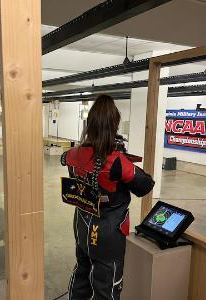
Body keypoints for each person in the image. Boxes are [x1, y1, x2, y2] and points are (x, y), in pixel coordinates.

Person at [61, 94, 155, 300]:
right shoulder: (116, 161)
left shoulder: (74, 154)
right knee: (107, 287)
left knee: (82, 274)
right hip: (108, 232)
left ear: (90, 123)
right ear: (113, 124)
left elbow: (69, 163)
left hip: (82, 226)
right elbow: (145, 185)